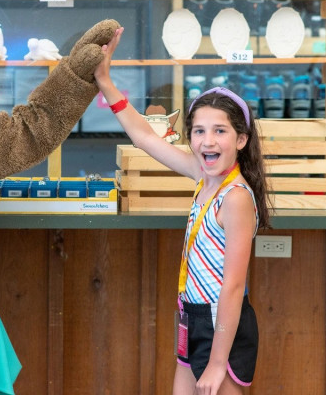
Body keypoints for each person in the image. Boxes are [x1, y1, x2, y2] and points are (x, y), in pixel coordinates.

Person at [95, 28, 270, 395]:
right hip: (192, 316)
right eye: (199, 131)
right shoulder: (201, 175)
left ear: (240, 140)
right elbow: (144, 137)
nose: (208, 141)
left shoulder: (235, 197)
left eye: (220, 131)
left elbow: (234, 287)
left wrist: (219, 361)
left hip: (222, 327)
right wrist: (105, 82)